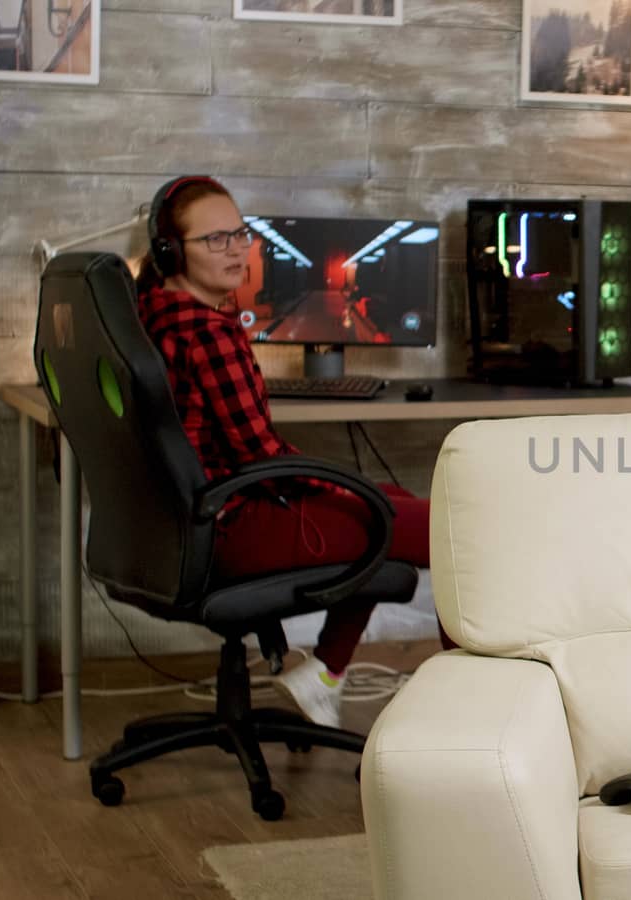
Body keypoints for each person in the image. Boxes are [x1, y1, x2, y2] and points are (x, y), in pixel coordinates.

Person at [133, 175, 440, 730]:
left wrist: (358, 491)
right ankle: (467, 714)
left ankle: (325, 674)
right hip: (235, 528)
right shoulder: (208, 334)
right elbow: (261, 455)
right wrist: (348, 488)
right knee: (449, 529)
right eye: (214, 240)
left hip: (191, 526)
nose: (236, 250)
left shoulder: (155, 315)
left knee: (388, 500)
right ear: (170, 251)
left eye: (239, 234)